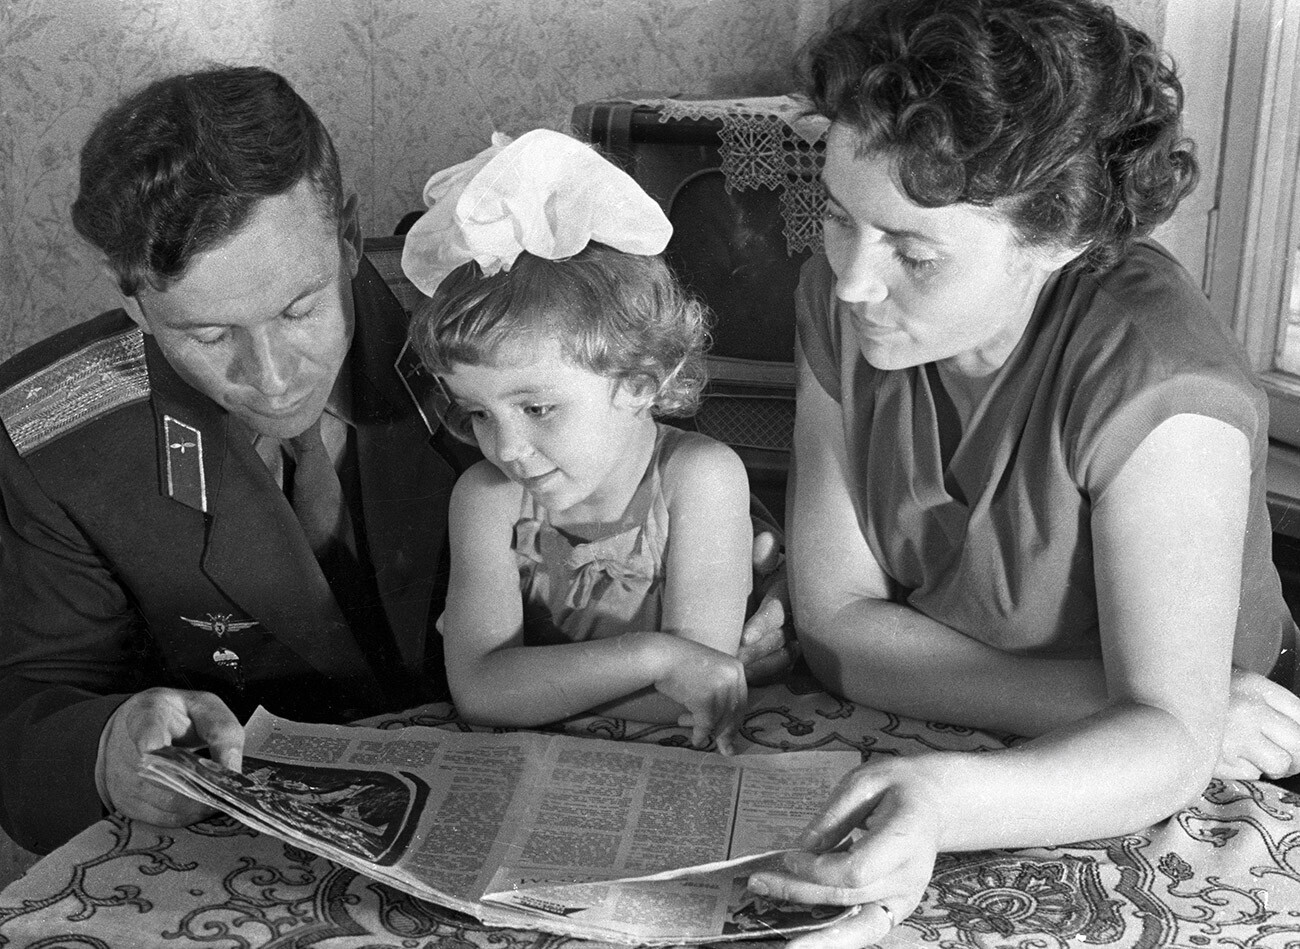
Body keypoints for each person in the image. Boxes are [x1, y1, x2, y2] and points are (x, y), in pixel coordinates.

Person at [0, 69, 791, 856]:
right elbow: (25, 704)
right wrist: (105, 749)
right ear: (131, 299)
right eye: (208, 337)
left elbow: (653, 470)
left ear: (346, 236)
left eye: (300, 307)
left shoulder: (485, 326)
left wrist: (774, 582)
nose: (273, 376)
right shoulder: (61, 447)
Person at [741, 1, 1300, 946]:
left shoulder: (1161, 377)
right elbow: (835, 626)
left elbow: (1165, 751)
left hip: (1193, 774)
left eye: (914, 250)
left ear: (1059, 238)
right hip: (1073, 727)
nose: (852, 282)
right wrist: (1151, 700)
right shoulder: (842, 307)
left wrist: (956, 792)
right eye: (840, 219)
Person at [403, 130, 752, 753]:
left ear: (639, 383)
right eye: (477, 413)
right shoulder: (486, 498)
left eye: (537, 407)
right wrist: (656, 655)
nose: (506, 449)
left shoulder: (700, 478)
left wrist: (533, 689)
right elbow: (480, 696)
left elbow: (699, 695)